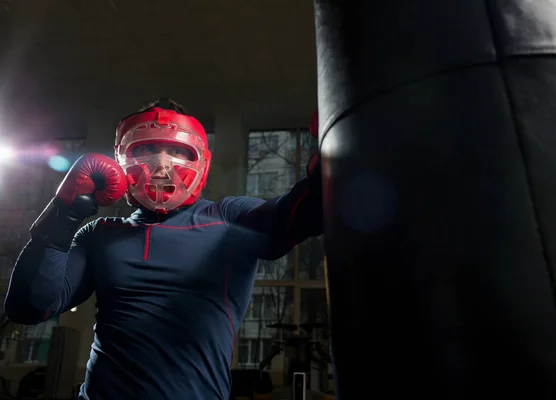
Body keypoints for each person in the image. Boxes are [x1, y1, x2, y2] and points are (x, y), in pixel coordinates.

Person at [4, 98, 323, 400]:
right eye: (147, 149)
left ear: (201, 160)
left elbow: (293, 216)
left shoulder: (227, 219)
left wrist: (332, 162)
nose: (161, 165)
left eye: (177, 151)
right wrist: (63, 213)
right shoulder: (99, 234)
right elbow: (29, 308)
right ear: (120, 160)